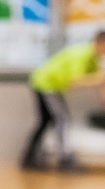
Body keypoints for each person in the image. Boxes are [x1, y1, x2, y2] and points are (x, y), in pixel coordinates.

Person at [22, 30, 105, 173]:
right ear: (99, 43)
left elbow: (99, 83)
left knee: (46, 121)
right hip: (46, 84)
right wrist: (100, 78)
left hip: (51, 85)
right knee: (62, 119)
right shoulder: (82, 55)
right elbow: (76, 81)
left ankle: (29, 157)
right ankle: (64, 159)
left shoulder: (94, 60)